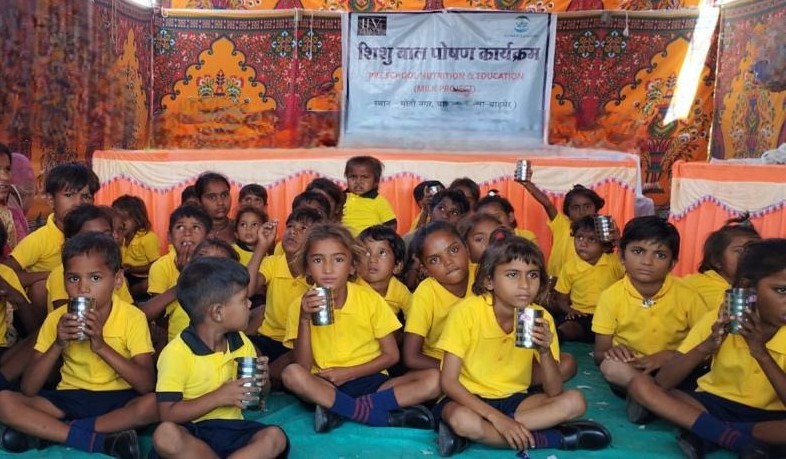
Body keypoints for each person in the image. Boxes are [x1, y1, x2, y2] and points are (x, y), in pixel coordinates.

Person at [434, 235, 611, 456]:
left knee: (575, 402)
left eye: (533, 275)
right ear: (489, 281)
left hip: (515, 399)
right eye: (512, 275)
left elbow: (554, 391)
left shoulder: (540, 317)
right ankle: (551, 438)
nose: (525, 285)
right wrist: (497, 419)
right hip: (468, 399)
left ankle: (478, 436)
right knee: (463, 420)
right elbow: (449, 382)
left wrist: (544, 351)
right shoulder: (466, 312)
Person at [0, 232, 158, 457]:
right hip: (70, 398)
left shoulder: (132, 317)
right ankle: (97, 440)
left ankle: (53, 432)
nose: (83, 288)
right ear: (64, 279)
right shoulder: (56, 319)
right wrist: (58, 344)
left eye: (95, 278)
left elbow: (145, 384)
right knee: (4, 401)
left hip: (119, 398)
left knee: (153, 404)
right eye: (74, 279)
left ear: (117, 280)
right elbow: (28, 388)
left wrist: (101, 346)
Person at [628, 238, 786, 458]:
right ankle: (738, 440)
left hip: (772, 416)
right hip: (713, 404)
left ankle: (710, 432)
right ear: (746, 287)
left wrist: (761, 354)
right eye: (781, 290)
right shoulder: (718, 319)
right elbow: (663, 381)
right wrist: (707, 346)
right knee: (641, 385)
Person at [280, 223, 440, 433]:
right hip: (325, 384)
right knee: (291, 374)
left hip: (371, 381)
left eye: (338, 259)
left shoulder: (370, 300)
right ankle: (374, 415)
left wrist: (348, 373)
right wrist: (304, 319)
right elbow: (302, 366)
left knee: (435, 379)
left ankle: (340, 410)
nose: (328, 269)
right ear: (308, 268)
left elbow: (392, 355)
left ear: (352, 266)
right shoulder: (299, 306)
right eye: (318, 260)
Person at [151, 257, 289, 459]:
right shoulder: (176, 353)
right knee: (165, 436)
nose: (250, 303)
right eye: (243, 299)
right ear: (217, 312)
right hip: (192, 434)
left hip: (232, 430)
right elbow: (168, 413)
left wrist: (263, 381)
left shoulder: (241, 342)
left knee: (275, 436)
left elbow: (260, 395)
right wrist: (219, 397)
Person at [591, 216, 707, 420]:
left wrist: (670, 356)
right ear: (621, 256)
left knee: (701, 373)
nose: (647, 262)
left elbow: (707, 347)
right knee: (610, 366)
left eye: (660, 255)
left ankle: (647, 400)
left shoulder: (688, 296)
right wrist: (613, 352)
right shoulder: (610, 296)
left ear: (672, 263)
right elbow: (600, 353)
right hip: (633, 370)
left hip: (674, 369)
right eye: (638, 251)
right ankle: (661, 399)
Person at [6, 162, 100, 331]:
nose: (78, 202)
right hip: (44, 316)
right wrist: (47, 276)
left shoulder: (97, 236)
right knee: (40, 287)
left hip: (86, 298)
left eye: (85, 196)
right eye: (69, 195)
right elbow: (6, 272)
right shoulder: (40, 239)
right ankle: (42, 336)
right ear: (51, 200)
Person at [246, 208, 324, 384]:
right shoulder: (273, 263)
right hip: (267, 339)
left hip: (299, 343)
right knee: (246, 348)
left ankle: (269, 376)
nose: (293, 232)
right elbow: (247, 290)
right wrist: (262, 246)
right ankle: (270, 376)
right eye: (290, 226)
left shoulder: (318, 270)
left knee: (296, 362)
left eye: (303, 228)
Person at [403, 221, 474, 370]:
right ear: (425, 269)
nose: (448, 262)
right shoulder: (425, 294)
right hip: (441, 363)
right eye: (434, 260)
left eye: (453, 250)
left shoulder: (485, 276)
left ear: (467, 249)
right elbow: (411, 357)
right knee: (432, 379)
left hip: (487, 361)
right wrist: (461, 371)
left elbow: (519, 308)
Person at [46, 204, 134, 313]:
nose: (100, 242)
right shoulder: (59, 275)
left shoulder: (112, 273)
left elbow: (129, 311)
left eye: (107, 235)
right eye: (90, 237)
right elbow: (69, 315)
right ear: (71, 241)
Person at [144, 205, 212, 343]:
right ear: (169, 236)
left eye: (195, 227)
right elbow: (159, 317)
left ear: (208, 237)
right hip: (176, 339)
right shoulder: (161, 267)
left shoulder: (215, 262)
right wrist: (185, 278)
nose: (187, 233)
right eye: (180, 227)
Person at [552, 216, 624, 342]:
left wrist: (618, 241)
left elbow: (630, 264)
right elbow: (561, 299)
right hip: (581, 316)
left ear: (605, 246)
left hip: (609, 316)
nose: (583, 243)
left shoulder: (614, 262)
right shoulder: (569, 267)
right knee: (569, 327)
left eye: (592, 239)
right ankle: (555, 338)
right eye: (579, 237)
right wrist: (570, 310)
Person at [519, 173, 606, 278]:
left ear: (596, 208)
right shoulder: (562, 224)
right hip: (555, 279)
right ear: (567, 211)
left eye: (587, 206)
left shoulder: (601, 230)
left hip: (583, 281)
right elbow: (547, 204)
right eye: (576, 208)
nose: (582, 211)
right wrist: (527, 183)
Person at [682, 215, 761, 314]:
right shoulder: (705, 285)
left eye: (757, 250)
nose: (751, 256)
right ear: (716, 261)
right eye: (739, 251)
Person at [112, 195, 160, 299]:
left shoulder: (148, 238)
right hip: (126, 274)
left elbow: (155, 265)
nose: (122, 224)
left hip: (142, 278)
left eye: (125, 219)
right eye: (118, 220)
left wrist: (132, 269)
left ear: (138, 219)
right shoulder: (119, 237)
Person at [357, 225, 411, 318]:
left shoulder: (399, 290)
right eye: (366, 253)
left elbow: (415, 316)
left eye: (382, 253)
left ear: (397, 266)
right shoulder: (352, 288)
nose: (372, 259)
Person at [341, 156, 397, 236]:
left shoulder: (378, 201)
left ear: (376, 182)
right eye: (353, 177)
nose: (358, 181)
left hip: (368, 242)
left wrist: (381, 239)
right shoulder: (341, 198)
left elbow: (391, 224)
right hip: (344, 241)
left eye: (364, 177)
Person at [195, 172, 235, 244]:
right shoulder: (193, 232)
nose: (220, 202)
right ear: (199, 201)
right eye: (212, 197)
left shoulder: (241, 228)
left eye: (224, 195)